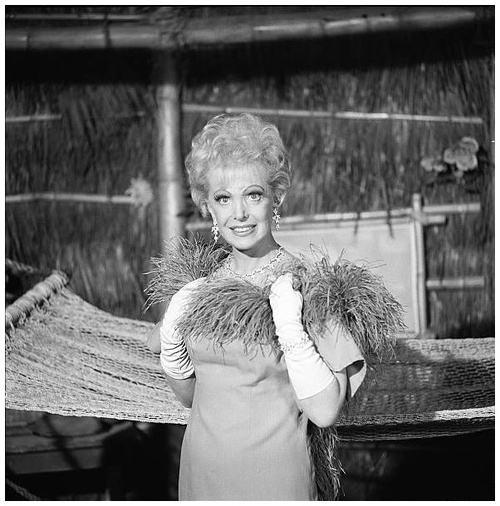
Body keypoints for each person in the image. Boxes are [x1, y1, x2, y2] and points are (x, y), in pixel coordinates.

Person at [146, 113, 369, 501]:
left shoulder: (307, 286)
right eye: (223, 198)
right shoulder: (199, 288)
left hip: (275, 479)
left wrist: (291, 329)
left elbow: (324, 411)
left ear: (275, 198)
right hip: (202, 475)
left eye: (253, 195)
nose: (239, 214)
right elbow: (195, 399)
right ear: (208, 207)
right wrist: (172, 347)